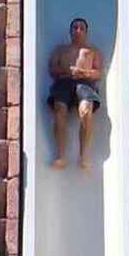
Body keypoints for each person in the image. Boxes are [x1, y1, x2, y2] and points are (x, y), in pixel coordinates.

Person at [48, 17, 104, 169]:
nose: (78, 30)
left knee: (86, 111)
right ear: (70, 31)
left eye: (81, 28)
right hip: (64, 82)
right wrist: (67, 71)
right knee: (59, 108)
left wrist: (83, 73)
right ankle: (60, 156)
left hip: (85, 84)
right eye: (75, 27)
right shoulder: (60, 50)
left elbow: (98, 73)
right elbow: (52, 69)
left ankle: (83, 156)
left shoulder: (92, 51)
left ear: (86, 32)